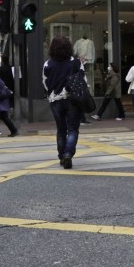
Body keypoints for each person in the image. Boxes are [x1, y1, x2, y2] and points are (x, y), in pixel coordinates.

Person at [43, 36, 84, 169]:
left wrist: (52, 93)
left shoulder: (48, 64)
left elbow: (44, 83)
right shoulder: (76, 62)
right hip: (73, 100)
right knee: (73, 129)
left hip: (55, 100)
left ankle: (62, 156)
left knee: (61, 130)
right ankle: (68, 154)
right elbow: (83, 81)